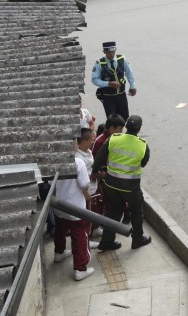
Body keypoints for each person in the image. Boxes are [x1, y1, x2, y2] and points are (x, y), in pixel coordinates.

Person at [92, 115, 151, 251]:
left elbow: (99, 157)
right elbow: (143, 162)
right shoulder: (142, 145)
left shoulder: (113, 139)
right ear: (139, 128)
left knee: (114, 212)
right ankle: (137, 239)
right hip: (131, 187)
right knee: (136, 211)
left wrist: (95, 172)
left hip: (111, 185)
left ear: (126, 127)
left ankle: (107, 242)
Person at [54, 154, 94, 281]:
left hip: (59, 204)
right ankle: (80, 269)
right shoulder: (78, 163)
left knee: (60, 231)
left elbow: (50, 183)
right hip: (76, 207)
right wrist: (87, 195)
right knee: (80, 236)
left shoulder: (54, 161)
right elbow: (84, 184)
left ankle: (59, 253)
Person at [91, 41, 136, 120]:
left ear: (115, 50)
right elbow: (94, 80)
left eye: (113, 51)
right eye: (108, 52)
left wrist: (132, 86)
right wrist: (108, 83)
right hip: (108, 98)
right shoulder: (99, 63)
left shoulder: (122, 59)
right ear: (104, 52)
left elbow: (129, 73)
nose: (111, 54)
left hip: (121, 95)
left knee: (124, 118)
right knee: (112, 120)